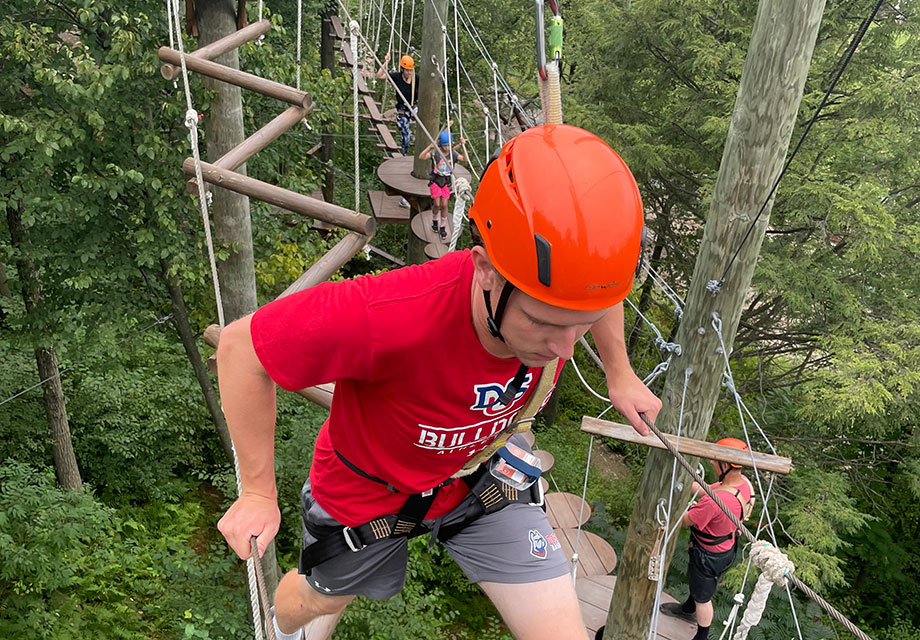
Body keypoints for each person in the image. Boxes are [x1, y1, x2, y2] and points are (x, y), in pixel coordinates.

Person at [216, 124, 662, 640]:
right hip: (368, 492)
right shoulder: (390, 314)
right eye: (541, 322)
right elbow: (242, 348)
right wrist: (256, 492)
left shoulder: (569, 290)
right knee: (309, 605)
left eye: (576, 324)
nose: (564, 350)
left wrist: (620, 374)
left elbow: (595, 298)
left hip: (480, 471)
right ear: (486, 270)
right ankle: (283, 620)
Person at [659, 437, 755, 640]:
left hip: (708, 555)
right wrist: (686, 482)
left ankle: (702, 636)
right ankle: (688, 607)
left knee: (704, 597)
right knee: (699, 584)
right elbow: (713, 490)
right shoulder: (743, 485)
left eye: (715, 459)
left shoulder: (714, 503)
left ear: (726, 465)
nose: (711, 462)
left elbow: (684, 520)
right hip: (726, 547)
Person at [419, 129, 467, 240]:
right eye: (444, 145)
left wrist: (463, 146)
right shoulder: (436, 152)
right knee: (437, 204)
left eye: (448, 145)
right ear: (441, 145)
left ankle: (442, 227)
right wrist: (429, 147)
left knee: (444, 205)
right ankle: (435, 220)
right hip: (436, 180)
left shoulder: (453, 153)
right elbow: (421, 157)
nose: (446, 148)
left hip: (446, 181)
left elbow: (465, 159)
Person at [376, 52, 419, 157]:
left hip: (413, 107)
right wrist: (386, 61)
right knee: (406, 135)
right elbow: (379, 75)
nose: (409, 73)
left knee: (421, 118)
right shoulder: (397, 77)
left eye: (410, 70)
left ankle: (418, 137)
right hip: (402, 109)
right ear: (402, 69)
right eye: (407, 70)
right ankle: (404, 154)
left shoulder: (416, 78)